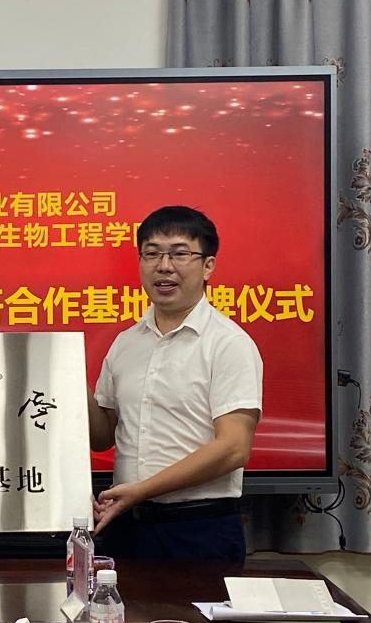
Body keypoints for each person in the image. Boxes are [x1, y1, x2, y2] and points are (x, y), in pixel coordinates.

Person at [88, 205, 262, 561]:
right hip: (126, 525)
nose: (164, 266)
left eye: (179, 254)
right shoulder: (125, 343)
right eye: (151, 254)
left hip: (200, 529)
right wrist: (69, 378)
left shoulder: (228, 343)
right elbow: (102, 436)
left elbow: (233, 448)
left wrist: (141, 491)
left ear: (208, 266)